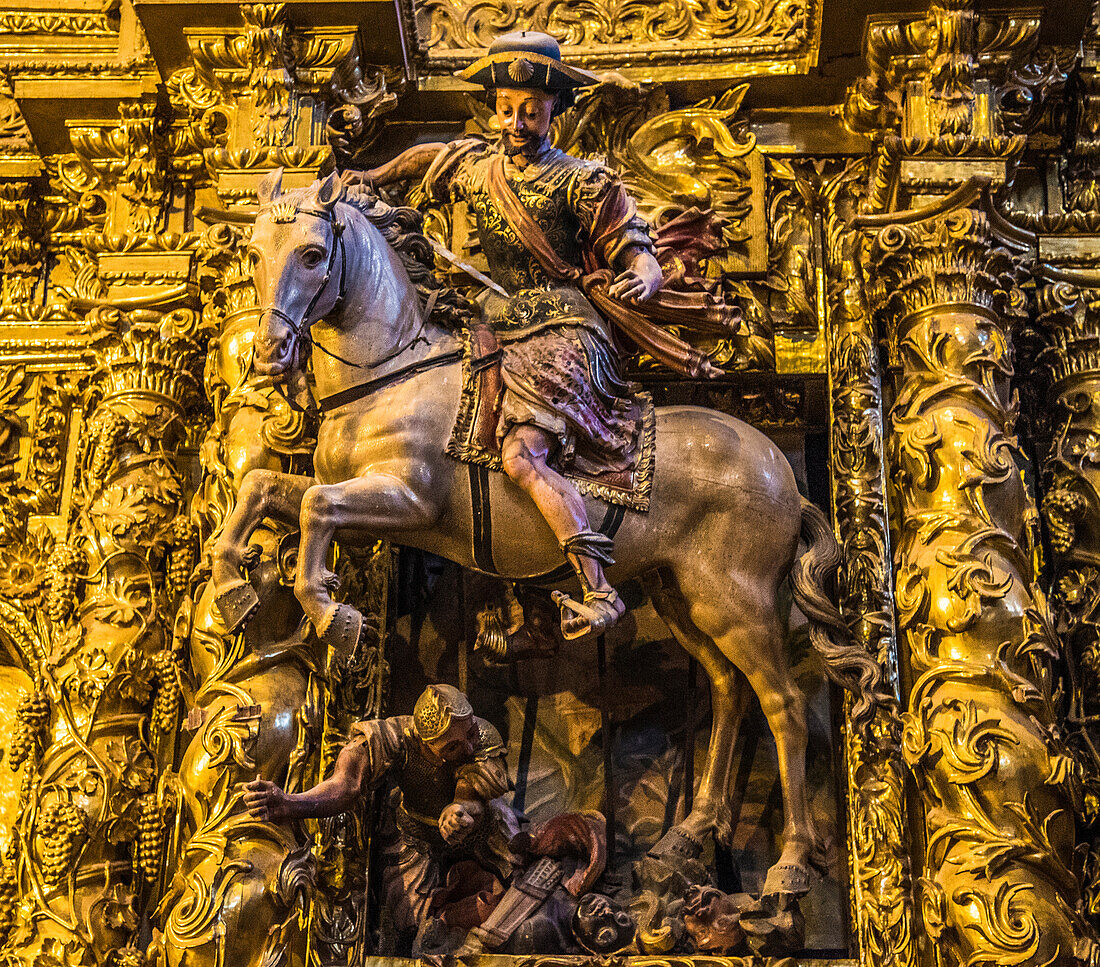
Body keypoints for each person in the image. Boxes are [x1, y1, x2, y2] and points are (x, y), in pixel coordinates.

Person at [346, 30, 726, 640]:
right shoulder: (477, 168)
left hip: (565, 330)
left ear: (554, 110)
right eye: (506, 109)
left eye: (530, 110)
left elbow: (636, 248)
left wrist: (648, 276)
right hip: (493, 326)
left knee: (520, 456)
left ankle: (598, 589)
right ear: (493, 106)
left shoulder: (582, 181)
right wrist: (369, 175)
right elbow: (426, 159)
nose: (516, 122)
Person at [243, 684, 519, 938]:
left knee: (519, 867)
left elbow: (472, 790)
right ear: (425, 743)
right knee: (414, 924)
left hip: (481, 825)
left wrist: (458, 809)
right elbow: (346, 786)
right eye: (452, 746)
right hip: (416, 835)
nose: (469, 746)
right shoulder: (392, 738)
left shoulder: (483, 734)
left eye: (469, 733)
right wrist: (290, 803)